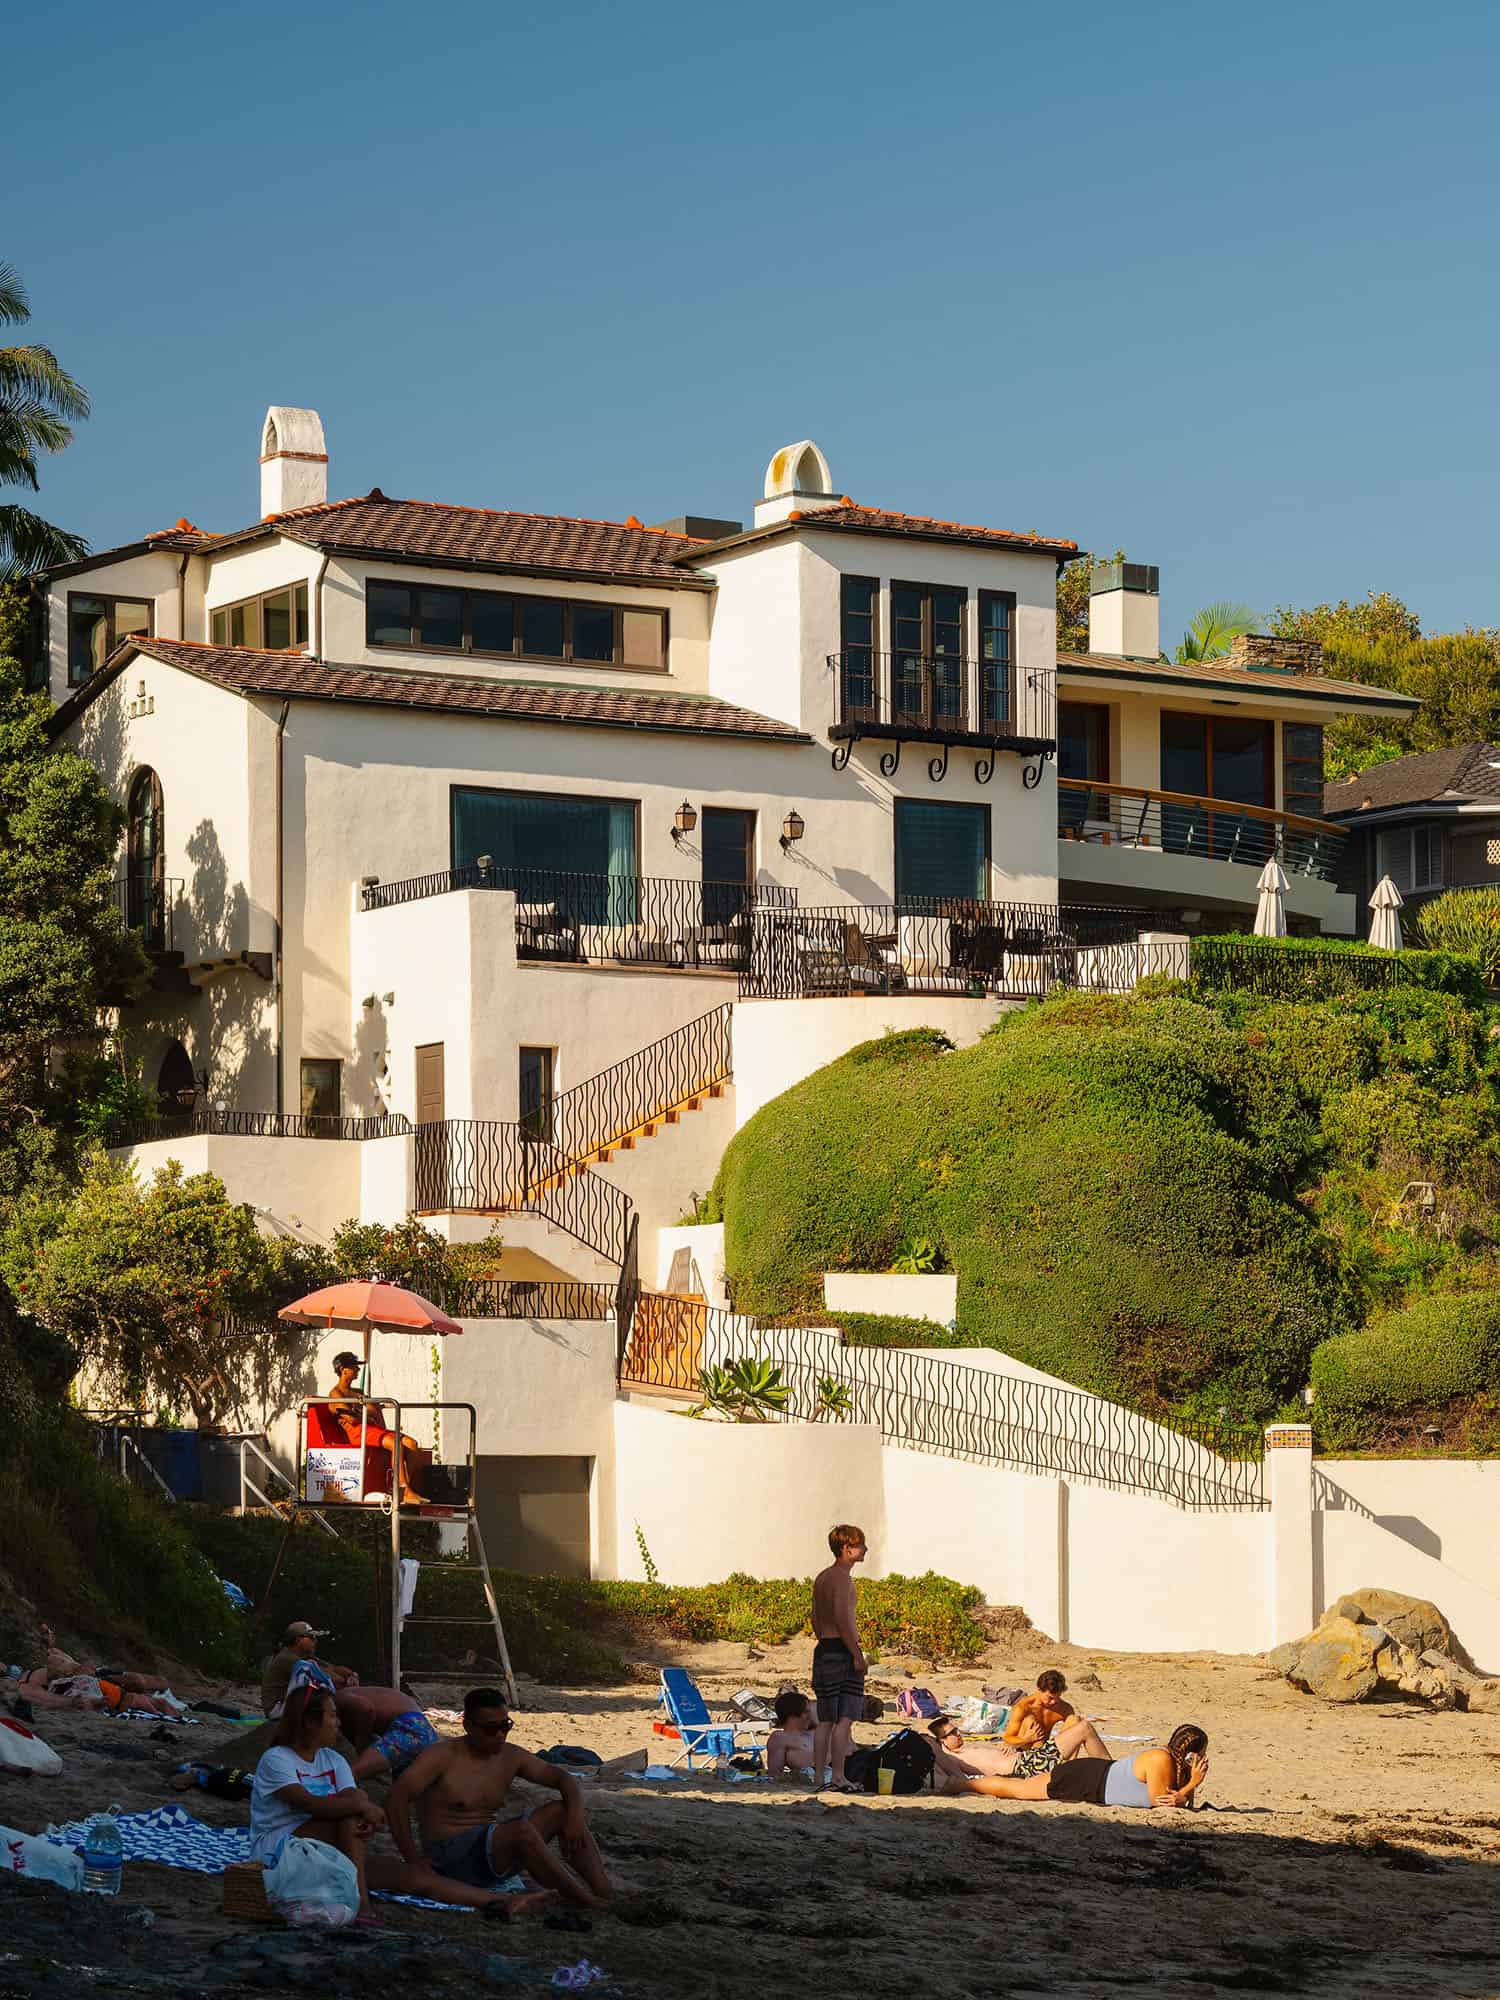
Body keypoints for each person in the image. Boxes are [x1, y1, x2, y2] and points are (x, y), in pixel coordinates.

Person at [386, 1686, 613, 1910]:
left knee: (561, 1811)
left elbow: (564, 1779)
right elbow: (396, 1797)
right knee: (520, 1831)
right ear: (468, 1726)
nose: (499, 1735)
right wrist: (413, 1859)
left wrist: (574, 1818)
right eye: (490, 1729)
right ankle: (584, 1900)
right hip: (450, 1858)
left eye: (505, 1726)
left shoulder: (510, 1756)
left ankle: (605, 1893)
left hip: (492, 1853)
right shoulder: (441, 1757)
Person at [249, 1685, 384, 1924]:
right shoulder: (276, 1759)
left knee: (400, 1874)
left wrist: (362, 1806)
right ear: (311, 1722)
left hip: (320, 1838)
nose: (338, 1723)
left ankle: (356, 1895)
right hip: (278, 1847)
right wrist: (365, 1808)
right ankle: (361, 1903)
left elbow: (352, 1795)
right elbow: (311, 1805)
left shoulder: (333, 1759)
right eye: (332, 1715)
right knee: (349, 1819)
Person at [951, 1723, 1210, 1809]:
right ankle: (960, 1785)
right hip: (1087, 1779)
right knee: (1019, 1789)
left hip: (1095, 1777)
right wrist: (1193, 1783)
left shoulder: (1173, 1766)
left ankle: (961, 1783)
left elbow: (1177, 1802)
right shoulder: (1160, 1759)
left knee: (1022, 1787)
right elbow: (1160, 1802)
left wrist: (1188, 1785)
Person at [811, 1523, 868, 1794]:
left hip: (824, 1648)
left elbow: (815, 1617)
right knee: (844, 1718)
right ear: (847, 1549)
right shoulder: (842, 1578)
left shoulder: (822, 1577)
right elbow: (843, 1619)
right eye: (860, 1545)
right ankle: (838, 1776)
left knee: (825, 1719)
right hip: (840, 1650)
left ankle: (819, 1776)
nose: (865, 1549)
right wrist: (857, 1655)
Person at [17, 1625, 180, 1718]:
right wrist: (73, 1699)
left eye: (50, 1631)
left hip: (96, 1676)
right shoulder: (35, 1674)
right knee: (140, 1684)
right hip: (89, 1681)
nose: (49, 1634)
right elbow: (43, 1696)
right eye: (45, 1632)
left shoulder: (55, 1653)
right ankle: (159, 1701)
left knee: (157, 1683)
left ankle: (168, 1696)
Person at [327, 1352, 426, 1507]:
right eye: (355, 1367)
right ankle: (403, 1489)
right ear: (344, 1370)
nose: (358, 1371)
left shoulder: (357, 1392)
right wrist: (364, 1410)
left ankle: (408, 1490)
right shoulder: (335, 1394)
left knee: (412, 1444)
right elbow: (351, 1419)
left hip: (372, 1429)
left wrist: (363, 1409)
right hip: (358, 1432)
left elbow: (373, 1411)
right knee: (396, 1444)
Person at [930, 1707, 1113, 1788]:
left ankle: (1109, 1773)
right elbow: (934, 1750)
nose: (958, 1733)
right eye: (952, 1733)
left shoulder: (964, 1750)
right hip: (1028, 1766)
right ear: (943, 1741)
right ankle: (1112, 1773)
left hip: (1027, 1758)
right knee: (1084, 1728)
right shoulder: (951, 1757)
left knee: (1075, 1721)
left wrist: (1012, 1749)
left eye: (956, 1729)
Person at [260, 1620, 359, 1717]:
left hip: (289, 1702)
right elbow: (327, 1677)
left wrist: (350, 1675)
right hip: (277, 1708)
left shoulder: (304, 1656)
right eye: (311, 1637)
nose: (315, 1640)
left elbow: (332, 1668)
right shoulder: (287, 1658)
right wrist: (346, 1682)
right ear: (298, 1640)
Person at [766, 1690, 817, 1780]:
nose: (810, 1716)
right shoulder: (780, 1738)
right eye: (806, 1712)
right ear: (792, 1716)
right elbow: (774, 1775)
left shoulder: (816, 1732)